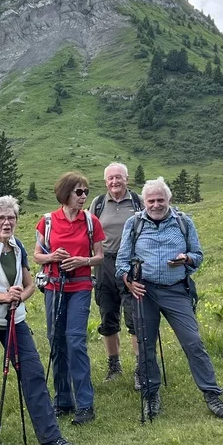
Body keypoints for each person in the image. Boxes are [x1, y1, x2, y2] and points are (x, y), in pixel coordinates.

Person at [116, 179, 223, 421]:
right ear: (144, 202)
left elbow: (198, 255)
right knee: (146, 345)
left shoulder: (183, 221)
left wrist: (186, 259)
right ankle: (151, 395)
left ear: (169, 200)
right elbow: (121, 261)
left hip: (176, 290)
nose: (156, 205)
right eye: (151, 200)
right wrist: (129, 281)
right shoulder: (134, 223)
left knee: (193, 342)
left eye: (160, 200)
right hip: (144, 291)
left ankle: (212, 394)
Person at [0, 195, 76, 445]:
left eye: (11, 218)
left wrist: (19, 297)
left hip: (15, 320)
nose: (6, 223)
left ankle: (50, 438)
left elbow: (29, 285)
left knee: (33, 375)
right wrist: (5, 297)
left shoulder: (17, 247)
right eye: (1, 218)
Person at [34, 172, 104, 425]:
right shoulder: (48, 221)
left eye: (86, 192)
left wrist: (83, 261)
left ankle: (85, 405)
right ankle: (63, 400)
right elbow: (37, 255)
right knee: (56, 341)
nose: (83, 197)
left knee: (75, 341)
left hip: (81, 286)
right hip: (54, 286)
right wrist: (52, 257)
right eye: (79, 192)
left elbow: (100, 256)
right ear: (65, 194)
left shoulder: (91, 221)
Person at [89, 162, 144, 383]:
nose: (115, 182)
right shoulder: (98, 203)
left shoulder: (139, 201)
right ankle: (114, 366)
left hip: (132, 264)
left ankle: (141, 368)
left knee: (135, 316)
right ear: (105, 182)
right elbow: (89, 232)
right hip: (105, 263)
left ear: (126, 179)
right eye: (110, 178)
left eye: (118, 177)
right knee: (107, 314)